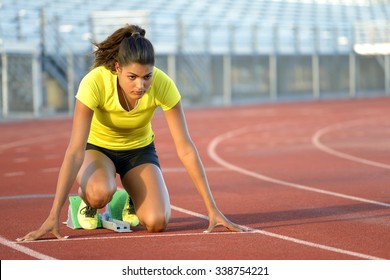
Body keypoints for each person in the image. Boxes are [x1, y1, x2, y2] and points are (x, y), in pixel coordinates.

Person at [17, 24, 245, 241]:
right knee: (100, 193)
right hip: (98, 150)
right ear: (118, 68)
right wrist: (53, 214)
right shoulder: (94, 83)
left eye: (147, 77)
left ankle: (127, 200)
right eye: (132, 77)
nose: (140, 86)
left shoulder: (163, 85)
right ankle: (85, 202)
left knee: (157, 222)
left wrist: (212, 209)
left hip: (139, 152)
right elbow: (75, 151)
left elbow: (185, 148)